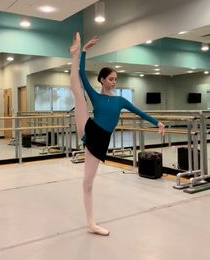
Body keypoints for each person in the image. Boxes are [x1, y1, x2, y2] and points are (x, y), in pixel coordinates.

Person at [70, 32, 165, 236]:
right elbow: (82, 75)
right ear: (103, 80)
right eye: (111, 79)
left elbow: (139, 112)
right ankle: (75, 53)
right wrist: (84, 51)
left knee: (87, 182)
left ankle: (90, 223)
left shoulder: (120, 101)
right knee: (78, 92)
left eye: (116, 79)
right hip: (90, 128)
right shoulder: (95, 96)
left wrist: (157, 122)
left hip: (100, 140)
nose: (114, 82)